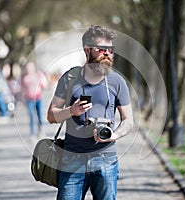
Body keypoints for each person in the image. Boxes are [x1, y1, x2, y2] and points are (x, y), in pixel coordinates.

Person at [47, 25, 134, 200]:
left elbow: (128, 121)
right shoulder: (70, 78)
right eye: (101, 49)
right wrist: (71, 110)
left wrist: (114, 135)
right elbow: (51, 115)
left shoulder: (117, 82)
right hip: (72, 159)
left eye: (110, 50)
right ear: (87, 50)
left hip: (106, 158)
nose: (107, 54)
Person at [22, 62, 48, 137]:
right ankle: (32, 133)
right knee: (31, 116)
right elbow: (23, 90)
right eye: (27, 68)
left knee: (39, 115)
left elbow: (45, 85)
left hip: (38, 98)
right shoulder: (25, 78)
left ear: (33, 68)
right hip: (29, 99)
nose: (29, 69)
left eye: (30, 67)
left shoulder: (38, 75)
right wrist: (22, 99)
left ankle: (41, 131)